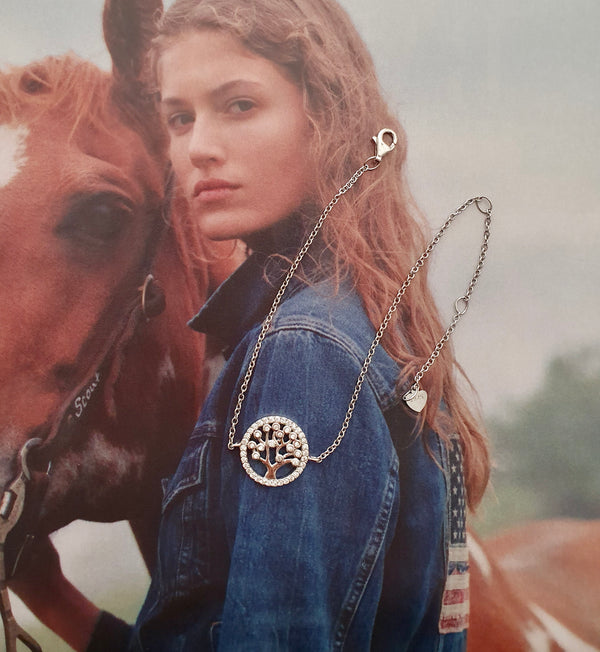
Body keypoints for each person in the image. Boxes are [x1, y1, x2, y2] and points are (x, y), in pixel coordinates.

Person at [15, 0, 491, 649]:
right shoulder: (366, 323)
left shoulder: (303, 353)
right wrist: (58, 599)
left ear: (325, 115)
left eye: (238, 106)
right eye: (179, 118)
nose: (198, 147)